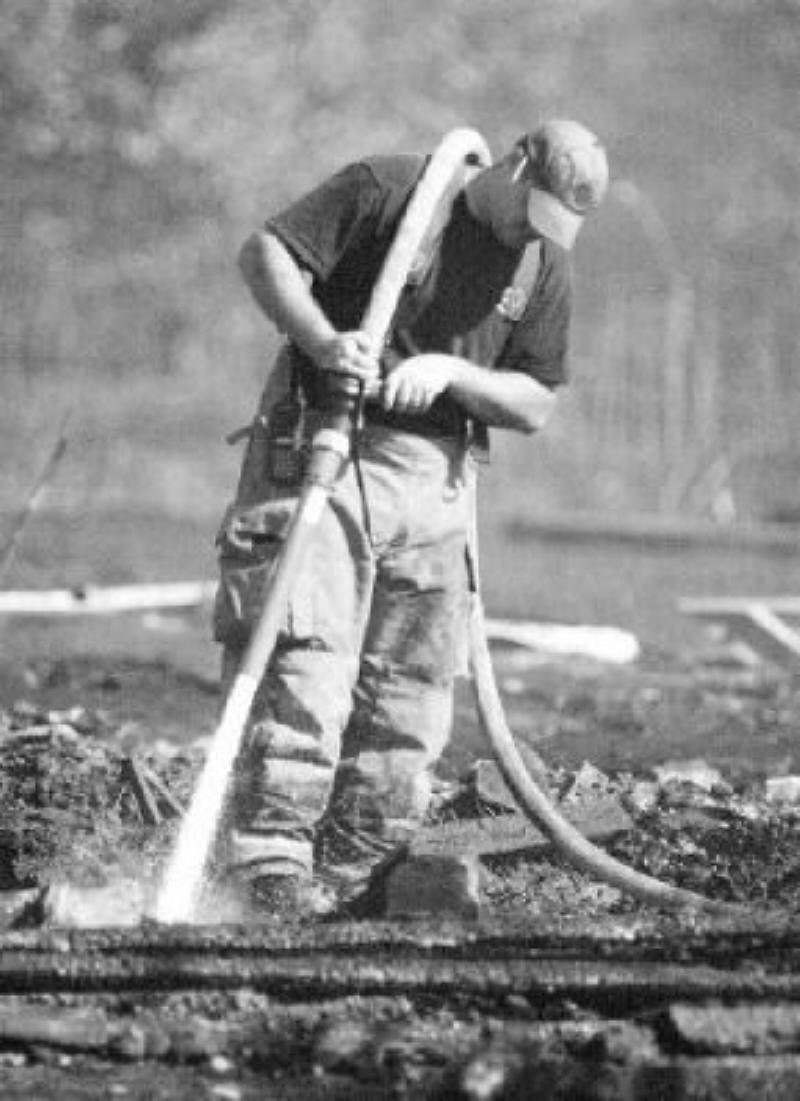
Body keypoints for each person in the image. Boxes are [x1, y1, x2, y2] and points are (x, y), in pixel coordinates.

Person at [213, 119, 609, 914]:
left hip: (438, 482)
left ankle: (359, 873)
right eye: (529, 212)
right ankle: (269, 869)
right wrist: (326, 343)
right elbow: (265, 254)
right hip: (327, 449)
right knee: (305, 658)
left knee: (412, 688)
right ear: (515, 159)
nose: (530, 235)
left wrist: (453, 371)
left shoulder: (541, 265)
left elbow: (536, 402)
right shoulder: (392, 190)